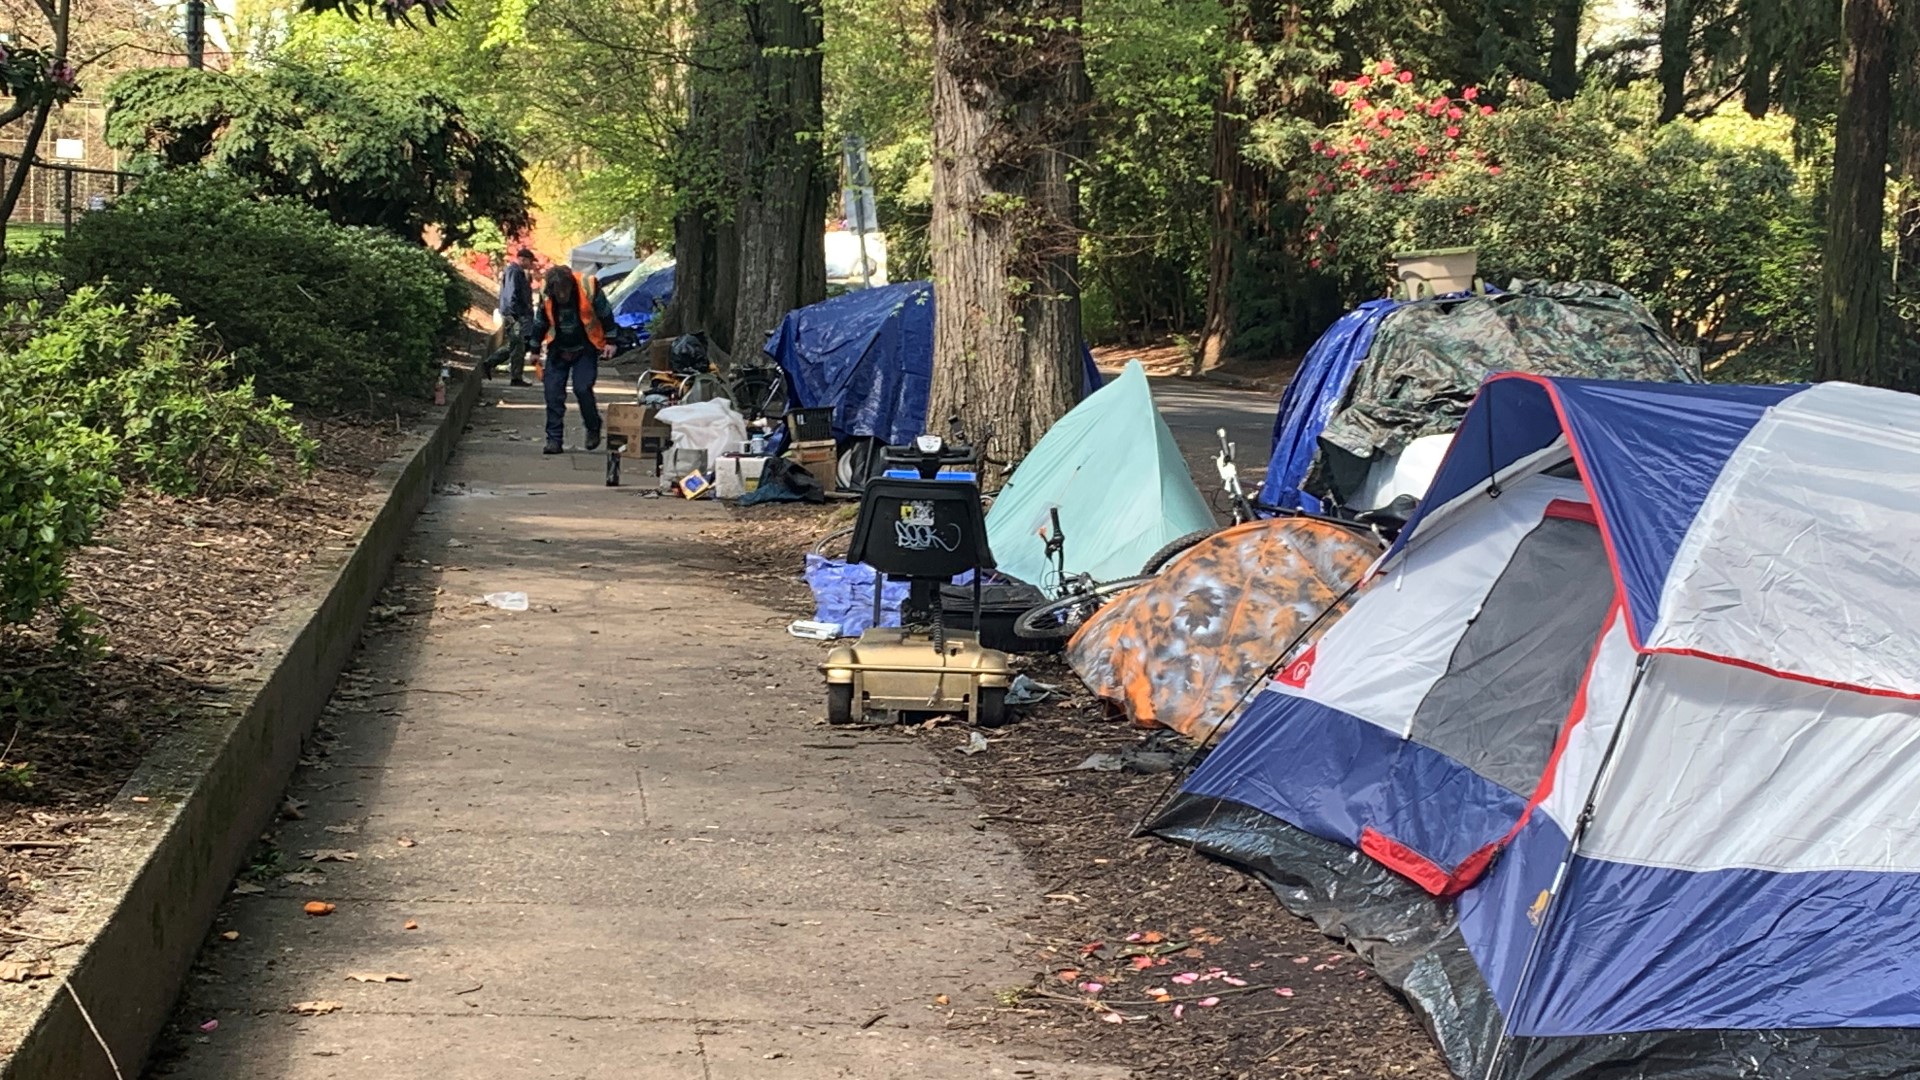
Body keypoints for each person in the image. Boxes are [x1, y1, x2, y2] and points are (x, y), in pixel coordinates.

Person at [531, 265, 616, 454]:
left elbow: (606, 314)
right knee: (552, 394)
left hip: (585, 347)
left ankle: (593, 426)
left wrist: (611, 341)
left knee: (582, 388)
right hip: (558, 349)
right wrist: (534, 349)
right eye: (557, 291)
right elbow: (540, 321)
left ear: (570, 285)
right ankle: (554, 440)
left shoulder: (588, 287)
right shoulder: (547, 293)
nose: (561, 295)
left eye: (564, 290)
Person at [485, 248, 538, 386]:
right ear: (522, 259)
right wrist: (512, 314)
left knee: (515, 344)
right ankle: (516, 377)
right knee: (518, 345)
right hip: (513, 315)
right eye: (530, 261)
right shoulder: (514, 272)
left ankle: (491, 362)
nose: (531, 265)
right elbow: (511, 295)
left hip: (515, 314)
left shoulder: (518, 273)